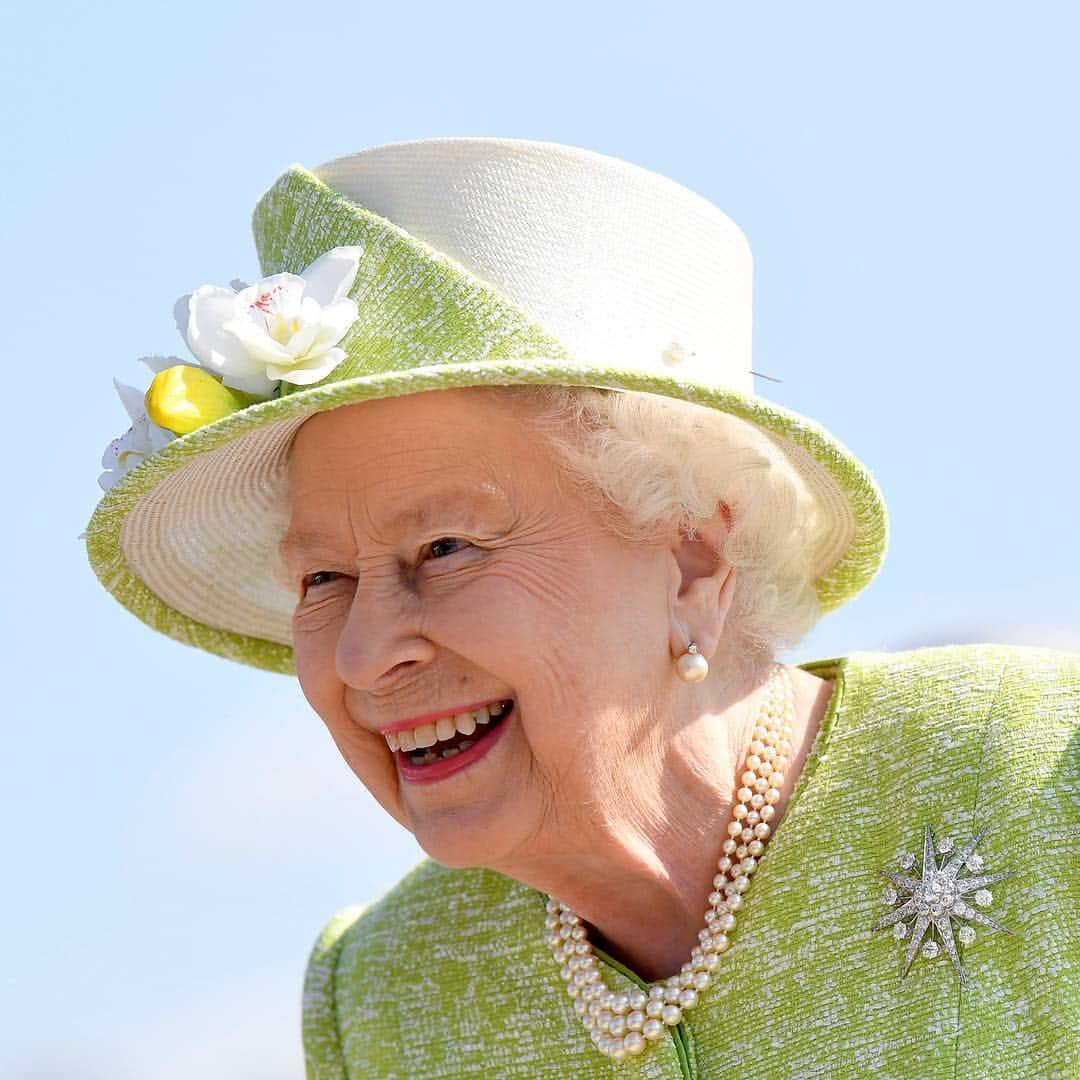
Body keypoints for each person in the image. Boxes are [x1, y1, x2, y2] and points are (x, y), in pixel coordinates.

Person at [86, 138, 1077, 1078]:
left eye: (446, 548)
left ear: (691, 559)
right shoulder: (384, 998)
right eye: (323, 581)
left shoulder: (1044, 778)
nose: (363, 652)